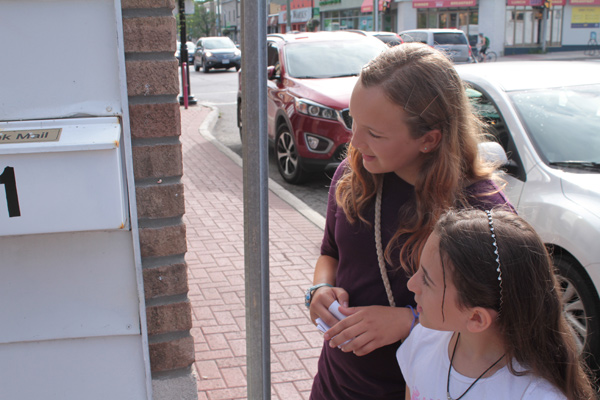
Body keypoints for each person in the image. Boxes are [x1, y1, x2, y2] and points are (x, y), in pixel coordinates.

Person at [305, 42, 513, 399]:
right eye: (354, 122)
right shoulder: (351, 176)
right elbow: (331, 253)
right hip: (335, 382)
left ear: (429, 139)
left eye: (375, 133)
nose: (354, 141)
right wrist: (320, 290)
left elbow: (503, 322)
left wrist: (409, 322)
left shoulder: (482, 213)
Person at [398, 209, 596, 399]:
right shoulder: (422, 341)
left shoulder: (535, 395)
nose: (410, 284)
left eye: (427, 280)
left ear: (477, 318)